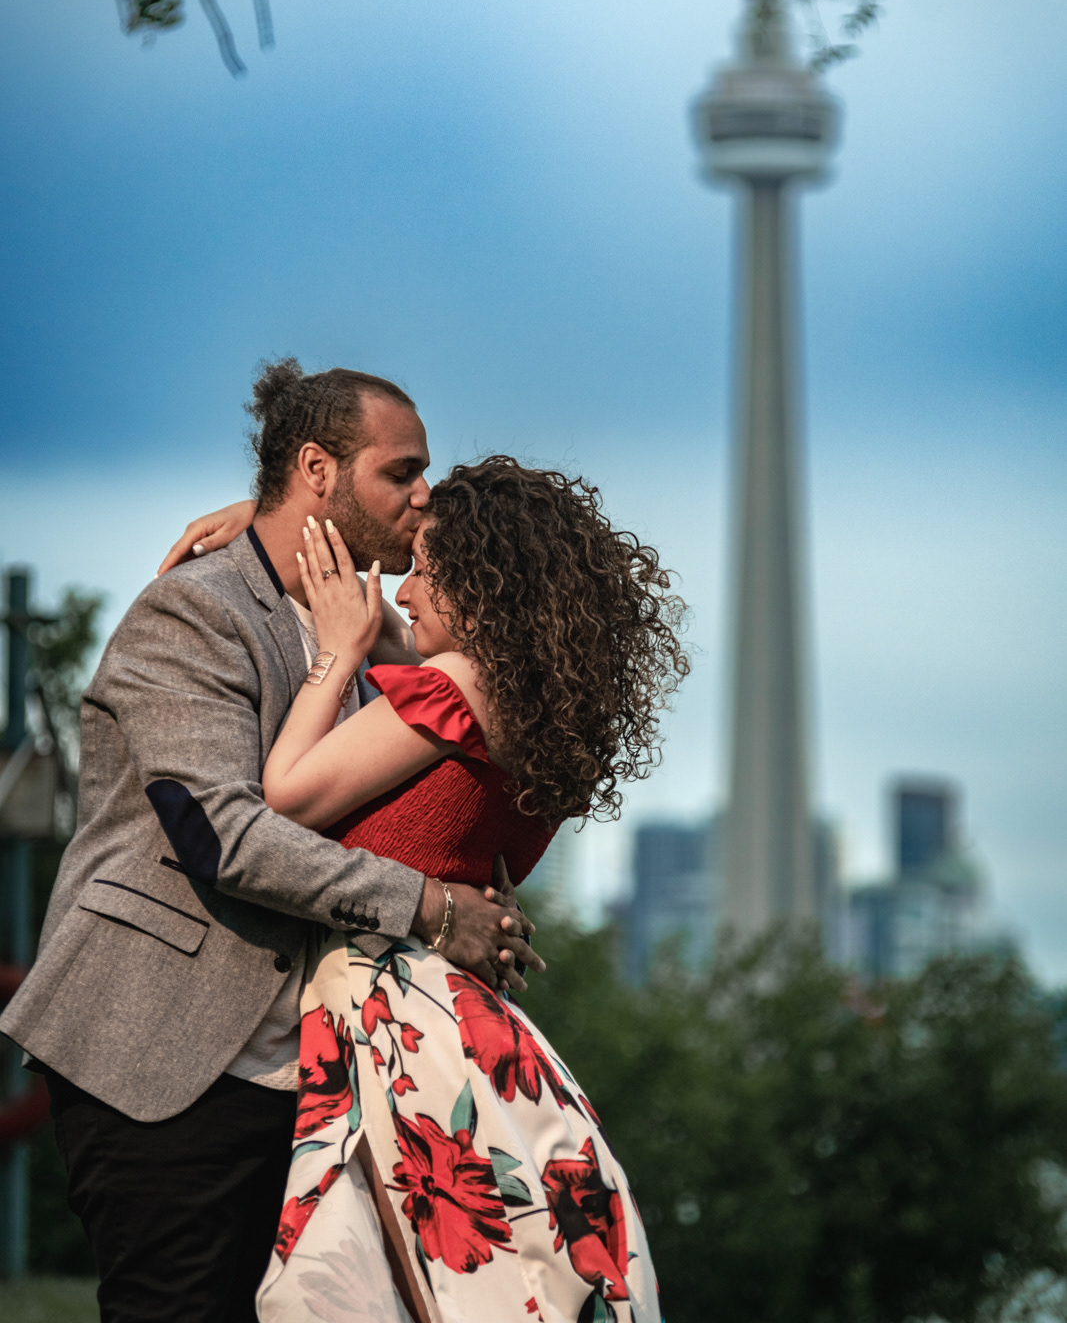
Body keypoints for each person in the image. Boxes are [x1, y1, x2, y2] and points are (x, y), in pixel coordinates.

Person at [0, 361, 540, 1323]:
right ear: (318, 472)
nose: (424, 495)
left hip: (315, 1084)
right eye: (401, 471)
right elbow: (222, 833)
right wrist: (430, 909)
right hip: (164, 1058)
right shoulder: (192, 611)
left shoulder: (376, 640)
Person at [210, 454, 689, 1323]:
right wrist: (268, 520)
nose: (403, 591)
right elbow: (390, 622)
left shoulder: (456, 690)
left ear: (480, 583)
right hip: (448, 1015)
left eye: (425, 571)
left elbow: (285, 796)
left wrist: (334, 654)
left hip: (395, 1014)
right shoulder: (526, 701)